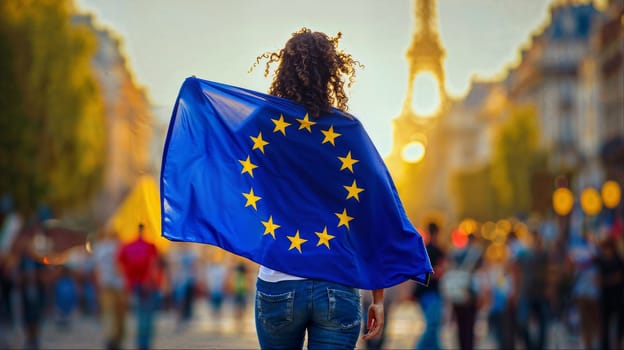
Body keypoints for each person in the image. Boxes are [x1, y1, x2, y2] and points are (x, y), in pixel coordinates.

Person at [249, 28, 384, 349]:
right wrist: (378, 295)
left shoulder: (261, 127)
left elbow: (226, 156)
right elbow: (375, 213)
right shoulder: (349, 131)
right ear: (332, 72)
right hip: (337, 279)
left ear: (283, 70)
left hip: (278, 276)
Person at [117, 223, 160, 350]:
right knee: (148, 314)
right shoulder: (151, 246)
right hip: (147, 284)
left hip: (133, 283)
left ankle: (141, 343)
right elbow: (154, 265)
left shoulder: (127, 246)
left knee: (139, 313)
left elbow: (120, 264)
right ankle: (145, 343)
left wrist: (127, 278)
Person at [412, 222, 446, 350]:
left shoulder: (422, 248)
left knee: (434, 325)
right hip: (432, 292)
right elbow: (440, 271)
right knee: (432, 325)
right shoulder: (438, 250)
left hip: (423, 293)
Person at [93, 229, 127, 350]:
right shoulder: (120, 246)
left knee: (109, 313)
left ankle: (111, 338)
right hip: (118, 284)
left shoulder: (99, 248)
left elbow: (97, 269)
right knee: (118, 314)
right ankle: (115, 338)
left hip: (107, 284)